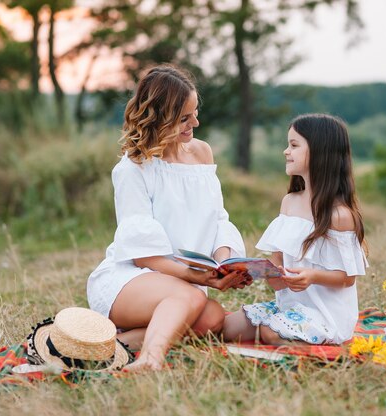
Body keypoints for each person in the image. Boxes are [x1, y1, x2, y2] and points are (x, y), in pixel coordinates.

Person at [87, 64, 249, 371]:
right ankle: (151, 357)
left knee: (212, 318)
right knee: (188, 297)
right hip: (130, 280)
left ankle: (113, 343)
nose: (195, 123)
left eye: (195, 112)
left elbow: (218, 219)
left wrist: (223, 264)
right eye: (184, 118)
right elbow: (143, 256)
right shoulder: (133, 169)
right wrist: (194, 277)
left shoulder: (202, 153)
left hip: (185, 286)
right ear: (159, 118)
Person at [223, 114, 368, 345]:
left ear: (320, 152)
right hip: (289, 307)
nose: (285, 151)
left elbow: (347, 278)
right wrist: (264, 273)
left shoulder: (339, 216)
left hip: (325, 314)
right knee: (229, 328)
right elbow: (278, 262)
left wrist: (312, 276)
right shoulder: (289, 202)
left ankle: (327, 348)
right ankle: (282, 332)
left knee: (270, 333)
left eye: (293, 145)